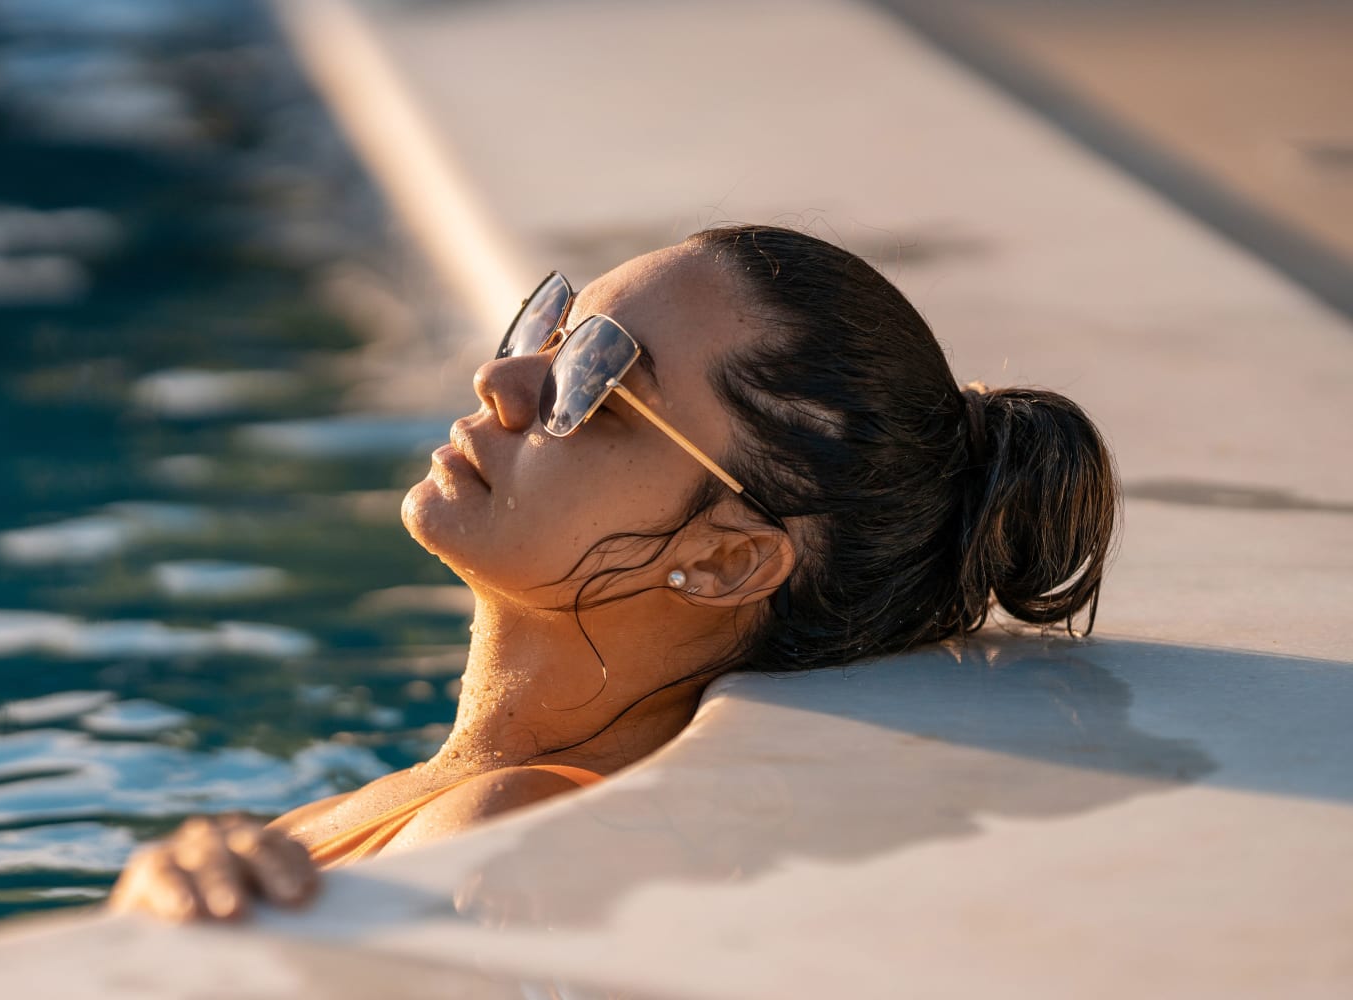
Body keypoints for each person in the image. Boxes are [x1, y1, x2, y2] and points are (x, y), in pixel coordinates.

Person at [107, 224, 1119, 922]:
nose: (500, 381)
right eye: (551, 331)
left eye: (592, 384)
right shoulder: (455, 793)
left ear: (723, 556)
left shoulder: (500, 827)